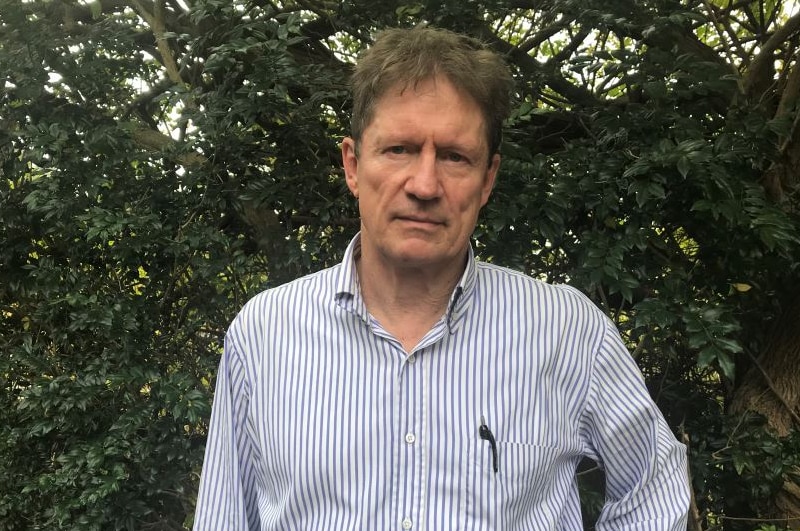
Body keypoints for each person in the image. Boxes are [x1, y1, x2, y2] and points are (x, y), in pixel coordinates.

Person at [193, 26, 690, 530]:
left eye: (454, 157)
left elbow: (656, 486)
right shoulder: (263, 335)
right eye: (399, 150)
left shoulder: (566, 333)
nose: (425, 185)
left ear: (488, 179)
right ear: (352, 164)